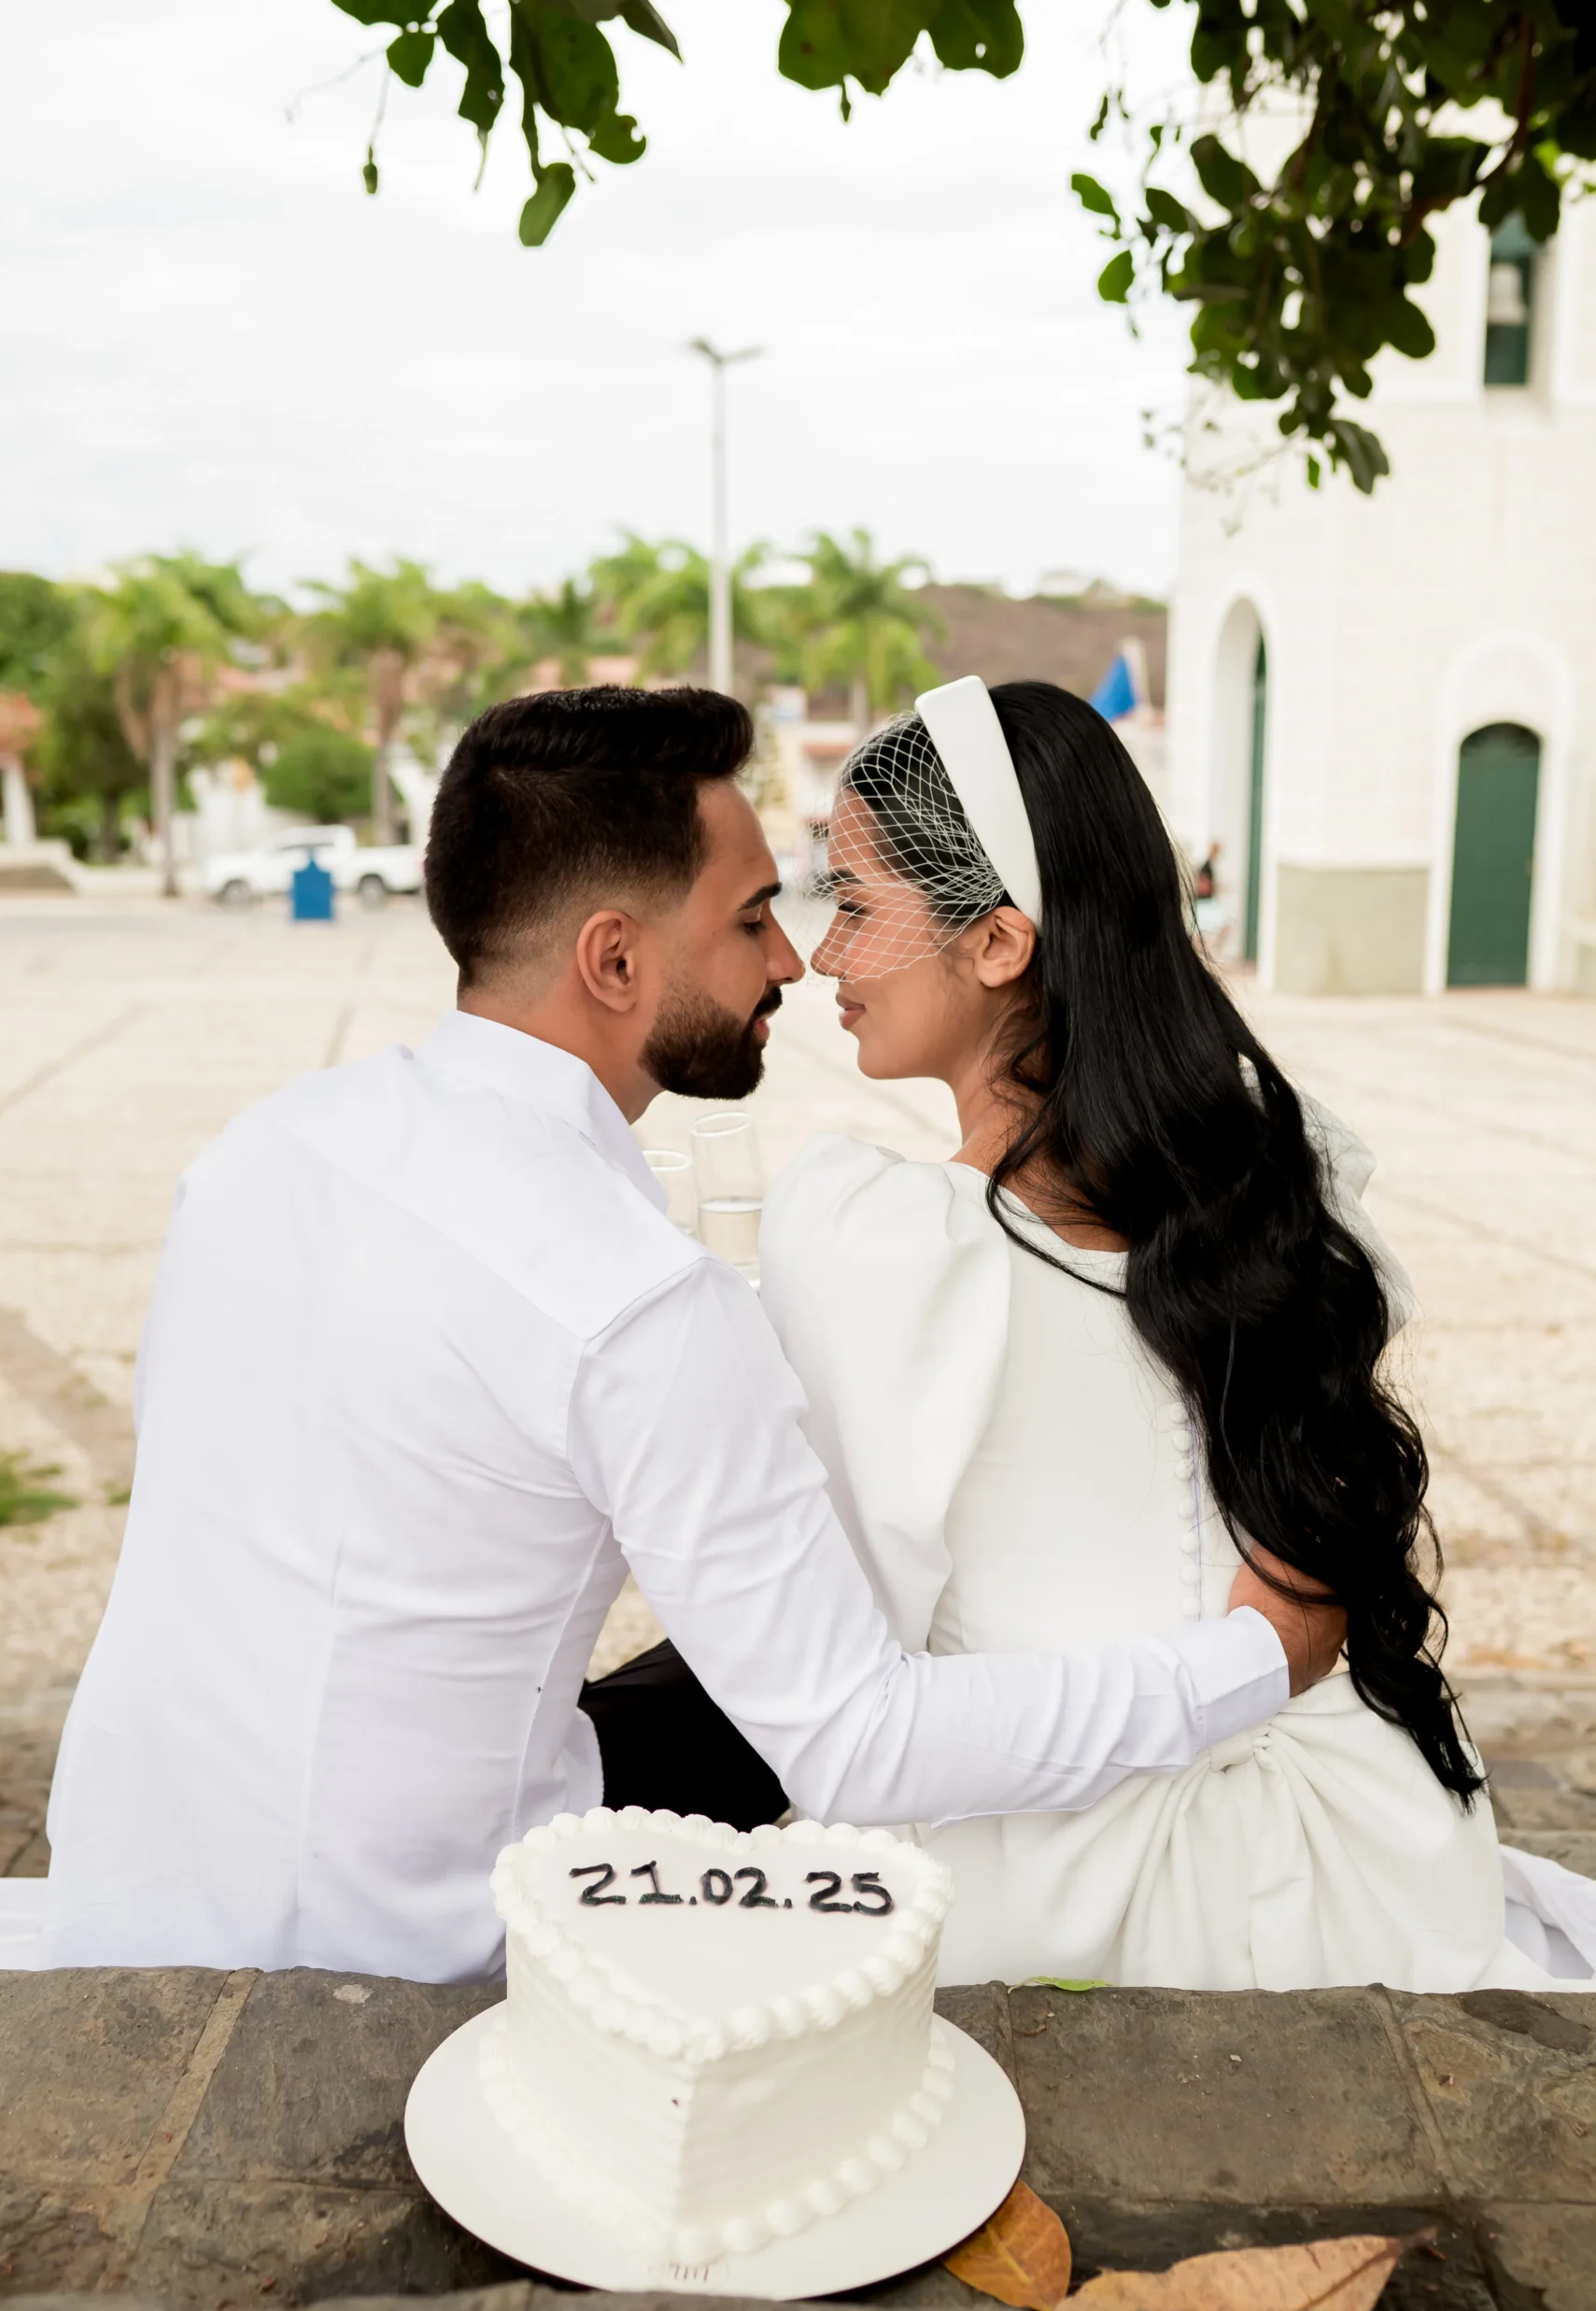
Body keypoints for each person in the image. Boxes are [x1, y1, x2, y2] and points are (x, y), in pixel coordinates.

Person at [40, 688, 1332, 1983]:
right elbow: (857, 1742)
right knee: (773, 1721)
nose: (792, 961)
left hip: (121, 1886)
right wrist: (1249, 1659)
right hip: (403, 1957)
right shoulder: (637, 1302)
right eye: (753, 916)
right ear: (614, 961)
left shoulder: (264, 1147)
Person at [760, 676, 1596, 1992]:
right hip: (1357, 1849)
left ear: (998, 942)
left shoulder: (875, 1244)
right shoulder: (1257, 1187)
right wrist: (1256, 1650)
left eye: (856, 907)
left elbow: (839, 1642)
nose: (824, 958)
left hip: (1024, 1866)